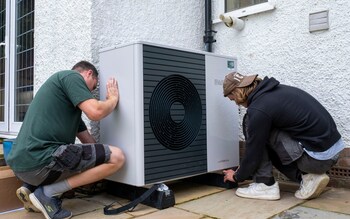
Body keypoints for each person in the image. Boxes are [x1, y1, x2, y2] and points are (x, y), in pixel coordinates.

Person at [6, 61, 125, 219]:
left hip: (22, 166)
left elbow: (89, 143)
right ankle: (47, 193)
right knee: (117, 157)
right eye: (93, 86)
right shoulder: (71, 76)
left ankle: (31, 188)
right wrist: (113, 99)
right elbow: (95, 112)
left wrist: (99, 163)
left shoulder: (67, 106)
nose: (91, 92)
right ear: (88, 73)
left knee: (83, 155)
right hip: (40, 162)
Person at [222, 72, 344, 201]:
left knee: (251, 123)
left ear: (237, 92)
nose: (236, 103)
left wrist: (237, 176)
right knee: (261, 132)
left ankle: (265, 185)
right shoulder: (276, 92)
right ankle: (308, 178)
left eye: (232, 99)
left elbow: (254, 150)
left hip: (316, 159)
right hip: (330, 153)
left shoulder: (259, 109)